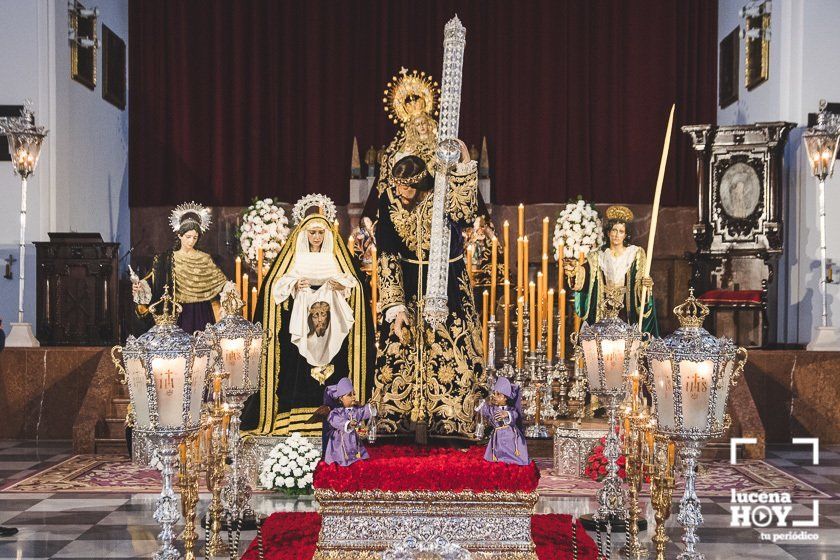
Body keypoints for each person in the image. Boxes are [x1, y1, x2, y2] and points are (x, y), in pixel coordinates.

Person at [370, 147, 485, 443]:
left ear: (421, 184)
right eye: (396, 184)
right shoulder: (389, 201)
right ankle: (397, 420)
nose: (400, 190)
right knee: (399, 348)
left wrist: (462, 166)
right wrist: (395, 305)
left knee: (452, 350)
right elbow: (386, 252)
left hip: (446, 284)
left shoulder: (441, 196)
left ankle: (451, 419)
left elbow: (465, 211)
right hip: (407, 284)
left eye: (406, 185)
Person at [241, 199, 373, 437]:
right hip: (302, 317)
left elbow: (353, 282)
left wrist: (338, 284)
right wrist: (294, 283)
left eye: (320, 233)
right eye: (312, 233)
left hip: (330, 320)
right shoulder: (296, 257)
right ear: (304, 234)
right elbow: (275, 285)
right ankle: (296, 412)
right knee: (300, 363)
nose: (316, 238)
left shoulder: (334, 258)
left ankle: (337, 412)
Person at [131, 202, 229, 334]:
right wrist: (140, 287)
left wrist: (229, 287)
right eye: (188, 237)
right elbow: (153, 280)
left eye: (195, 237)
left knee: (202, 348)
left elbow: (221, 282)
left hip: (202, 311)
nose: (191, 241)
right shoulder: (166, 259)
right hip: (178, 312)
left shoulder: (205, 258)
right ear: (179, 235)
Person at [566, 206, 658, 335]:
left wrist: (646, 285)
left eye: (621, 231)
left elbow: (640, 281)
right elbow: (586, 275)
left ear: (626, 235)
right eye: (614, 230)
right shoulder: (597, 256)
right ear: (608, 232)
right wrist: (574, 271)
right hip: (603, 308)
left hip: (625, 308)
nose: (616, 235)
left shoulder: (635, 253)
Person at [476, 377, 529, 466]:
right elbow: (482, 409)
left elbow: (515, 415)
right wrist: (479, 400)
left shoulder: (511, 409)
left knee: (511, 450)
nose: (494, 396)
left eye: (498, 395)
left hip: (510, 435)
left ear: (506, 398)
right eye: (494, 394)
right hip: (498, 436)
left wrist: (507, 414)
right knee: (499, 450)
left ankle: (514, 460)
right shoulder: (492, 409)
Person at [323, 377, 375, 467]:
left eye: (354, 394)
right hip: (339, 441)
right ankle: (339, 459)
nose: (353, 397)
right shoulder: (336, 412)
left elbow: (364, 412)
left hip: (353, 439)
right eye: (349, 395)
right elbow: (335, 420)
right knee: (339, 455)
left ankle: (354, 457)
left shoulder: (356, 410)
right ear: (341, 399)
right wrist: (347, 424)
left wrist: (371, 406)